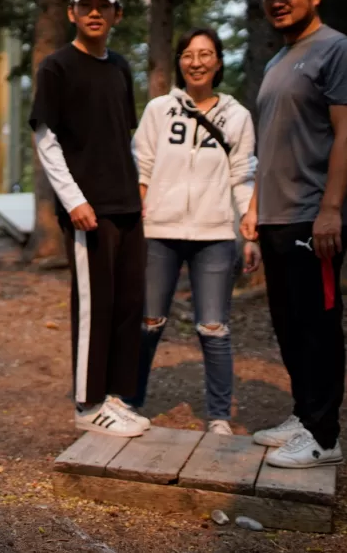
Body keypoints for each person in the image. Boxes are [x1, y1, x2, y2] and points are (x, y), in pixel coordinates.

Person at [240, 0, 347, 469]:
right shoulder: (278, 62)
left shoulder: (338, 51)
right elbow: (270, 146)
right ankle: (303, 414)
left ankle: (324, 434)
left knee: (318, 325)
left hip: (312, 216)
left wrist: (331, 210)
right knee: (289, 324)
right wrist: (253, 206)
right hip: (276, 216)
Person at [29, 0, 150, 438]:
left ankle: (115, 398)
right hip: (88, 209)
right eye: (86, 5)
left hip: (126, 204)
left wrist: (138, 190)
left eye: (104, 6)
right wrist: (74, 200)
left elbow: (125, 136)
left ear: (117, 14)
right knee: (94, 305)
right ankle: (86, 404)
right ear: (72, 13)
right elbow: (45, 137)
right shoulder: (57, 67)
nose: (95, 12)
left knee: (127, 303)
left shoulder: (120, 67)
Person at [129, 28, 261, 435]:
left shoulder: (237, 116)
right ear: (179, 62)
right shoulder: (158, 110)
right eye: (188, 54)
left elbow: (244, 174)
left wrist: (249, 230)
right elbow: (143, 167)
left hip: (215, 233)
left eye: (205, 54)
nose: (197, 61)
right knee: (148, 322)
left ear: (218, 62)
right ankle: (128, 403)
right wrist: (139, 220)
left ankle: (219, 416)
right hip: (160, 230)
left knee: (213, 326)